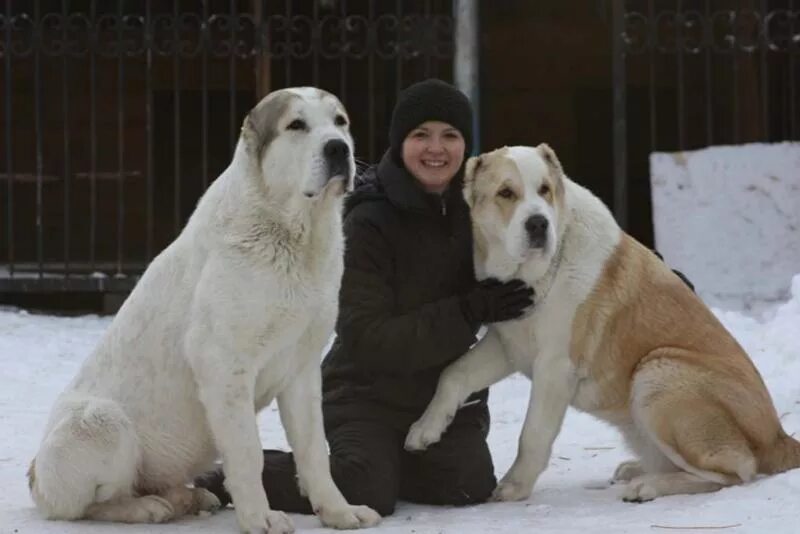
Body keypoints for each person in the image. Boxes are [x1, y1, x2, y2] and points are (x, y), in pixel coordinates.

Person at [195, 79, 535, 515]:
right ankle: (240, 475)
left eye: (450, 135)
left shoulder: (480, 204)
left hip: (435, 396)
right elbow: (368, 337)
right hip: (365, 393)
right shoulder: (367, 218)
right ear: (400, 142)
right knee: (366, 489)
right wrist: (469, 310)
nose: (437, 148)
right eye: (420, 135)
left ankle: (390, 463)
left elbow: (548, 223)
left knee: (467, 485)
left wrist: (627, 265)